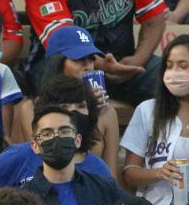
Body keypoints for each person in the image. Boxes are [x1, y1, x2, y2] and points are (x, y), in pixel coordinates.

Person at [120, 33, 189, 205]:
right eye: (169, 66)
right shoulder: (147, 110)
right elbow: (129, 173)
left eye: (183, 66)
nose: (173, 73)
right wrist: (158, 172)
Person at [0, 74, 111, 195]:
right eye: (64, 107)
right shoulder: (20, 156)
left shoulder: (98, 169)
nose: (73, 113)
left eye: (81, 106)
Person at [24, 0, 168, 105]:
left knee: (166, 78)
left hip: (124, 64)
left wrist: (138, 60)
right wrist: (100, 64)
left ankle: (167, 139)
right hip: (66, 65)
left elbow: (155, 20)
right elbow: (64, 44)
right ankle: (68, 139)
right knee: (58, 81)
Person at [27, 27, 121, 178]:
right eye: (79, 59)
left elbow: (111, 177)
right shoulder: (31, 108)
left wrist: (89, 109)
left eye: (91, 59)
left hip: (93, 195)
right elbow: (34, 162)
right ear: (56, 63)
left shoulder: (106, 112)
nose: (88, 66)